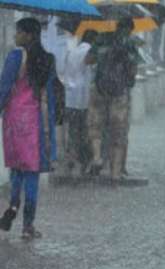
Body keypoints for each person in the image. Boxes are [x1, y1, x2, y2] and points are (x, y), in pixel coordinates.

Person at [0, 18, 59, 239]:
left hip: (15, 120)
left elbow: (4, 88)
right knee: (32, 172)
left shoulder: (15, 57)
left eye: (19, 32)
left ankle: (13, 207)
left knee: (16, 169)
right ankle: (28, 225)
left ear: (29, 35)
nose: (15, 36)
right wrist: (50, 125)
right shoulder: (48, 59)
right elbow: (50, 95)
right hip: (36, 121)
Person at [85, 17, 140, 182]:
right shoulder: (130, 44)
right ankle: (115, 173)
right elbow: (133, 71)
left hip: (99, 90)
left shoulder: (102, 39)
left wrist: (103, 57)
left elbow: (88, 60)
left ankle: (97, 157)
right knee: (118, 134)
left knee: (95, 127)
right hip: (120, 93)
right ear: (130, 29)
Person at [63, 29, 97, 176]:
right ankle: (84, 160)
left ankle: (71, 157)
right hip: (82, 98)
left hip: (70, 97)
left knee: (72, 129)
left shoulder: (72, 51)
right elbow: (89, 67)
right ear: (93, 40)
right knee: (83, 130)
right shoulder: (89, 52)